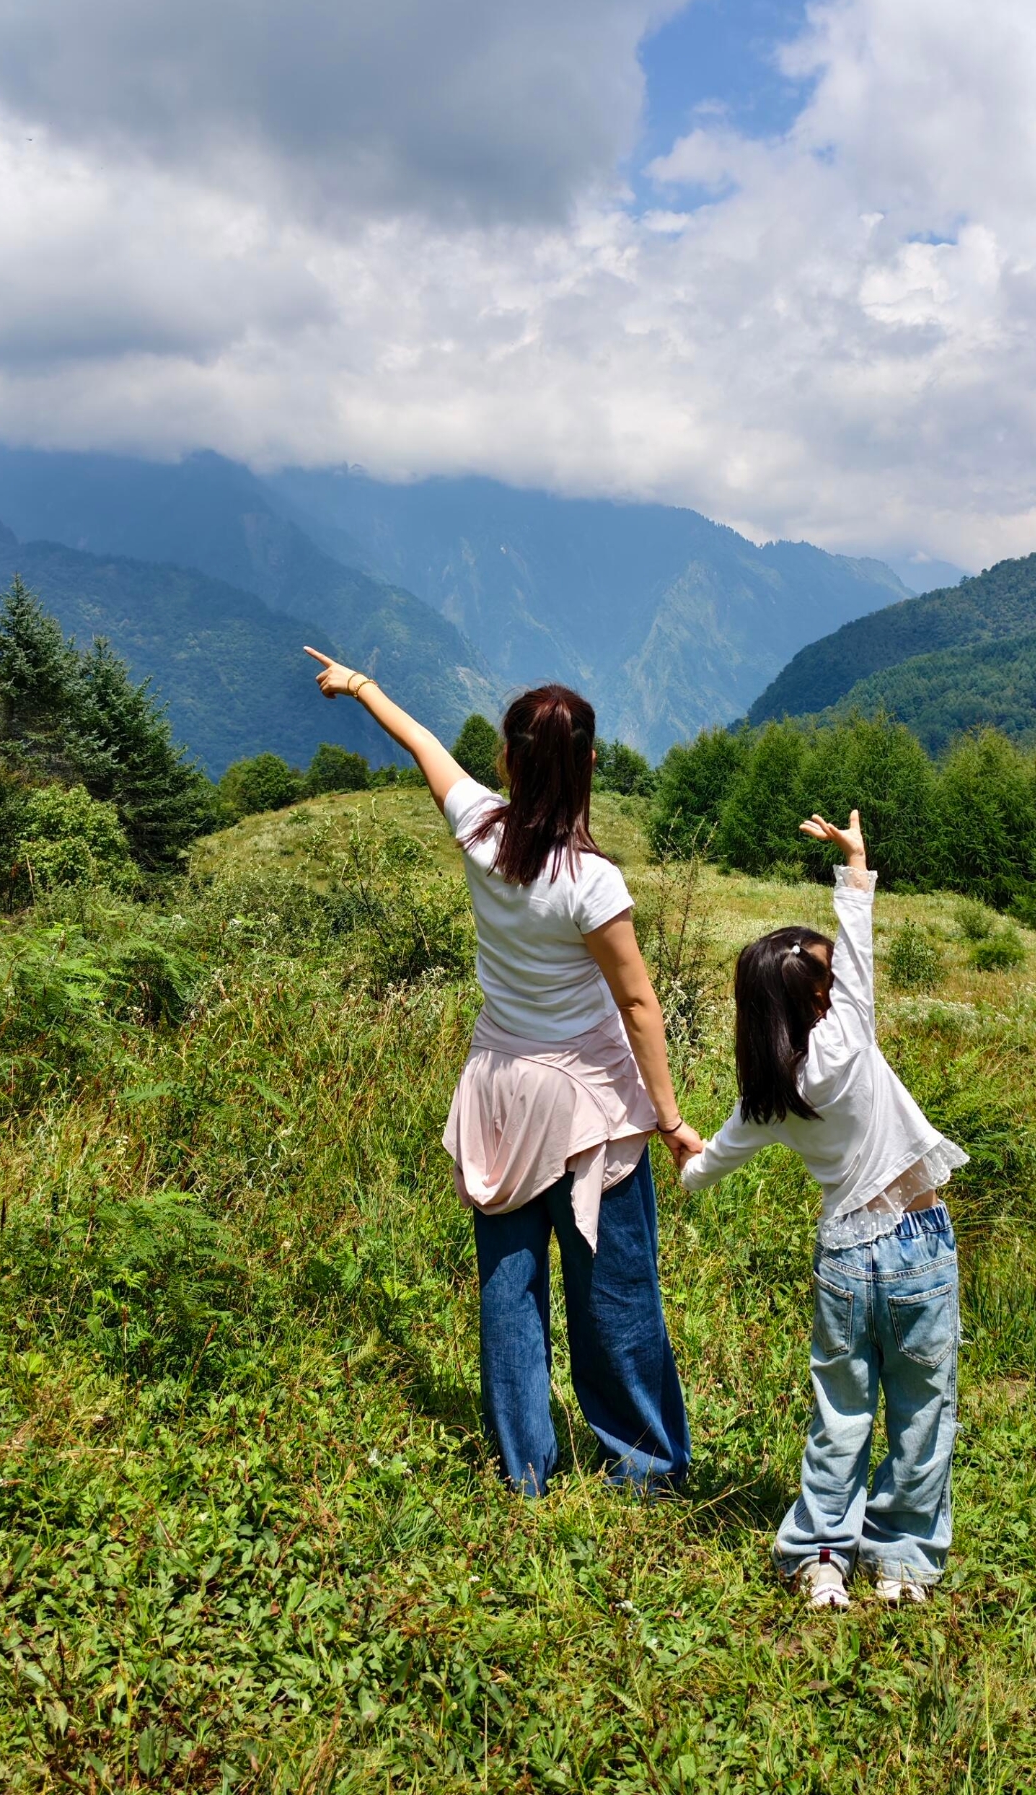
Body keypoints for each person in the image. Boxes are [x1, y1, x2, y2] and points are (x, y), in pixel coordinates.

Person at [304, 649, 700, 1496]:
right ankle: (643, 1467)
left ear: (509, 762)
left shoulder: (479, 830)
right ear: (588, 765)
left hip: (496, 1089)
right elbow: (637, 1003)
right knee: (614, 1293)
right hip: (587, 1106)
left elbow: (422, 744)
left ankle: (524, 1469)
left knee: (509, 1286)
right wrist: (668, 1119)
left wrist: (359, 685)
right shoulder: (590, 881)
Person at [676, 808, 966, 1610]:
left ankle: (820, 1556)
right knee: (920, 1408)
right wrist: (854, 864)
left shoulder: (766, 1096)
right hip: (916, 1242)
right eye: (830, 977)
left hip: (843, 1254)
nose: (842, 980)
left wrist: (680, 1144)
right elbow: (859, 942)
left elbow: (702, 1170)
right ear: (817, 995)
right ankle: (900, 1559)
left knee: (840, 1412)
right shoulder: (848, 1036)